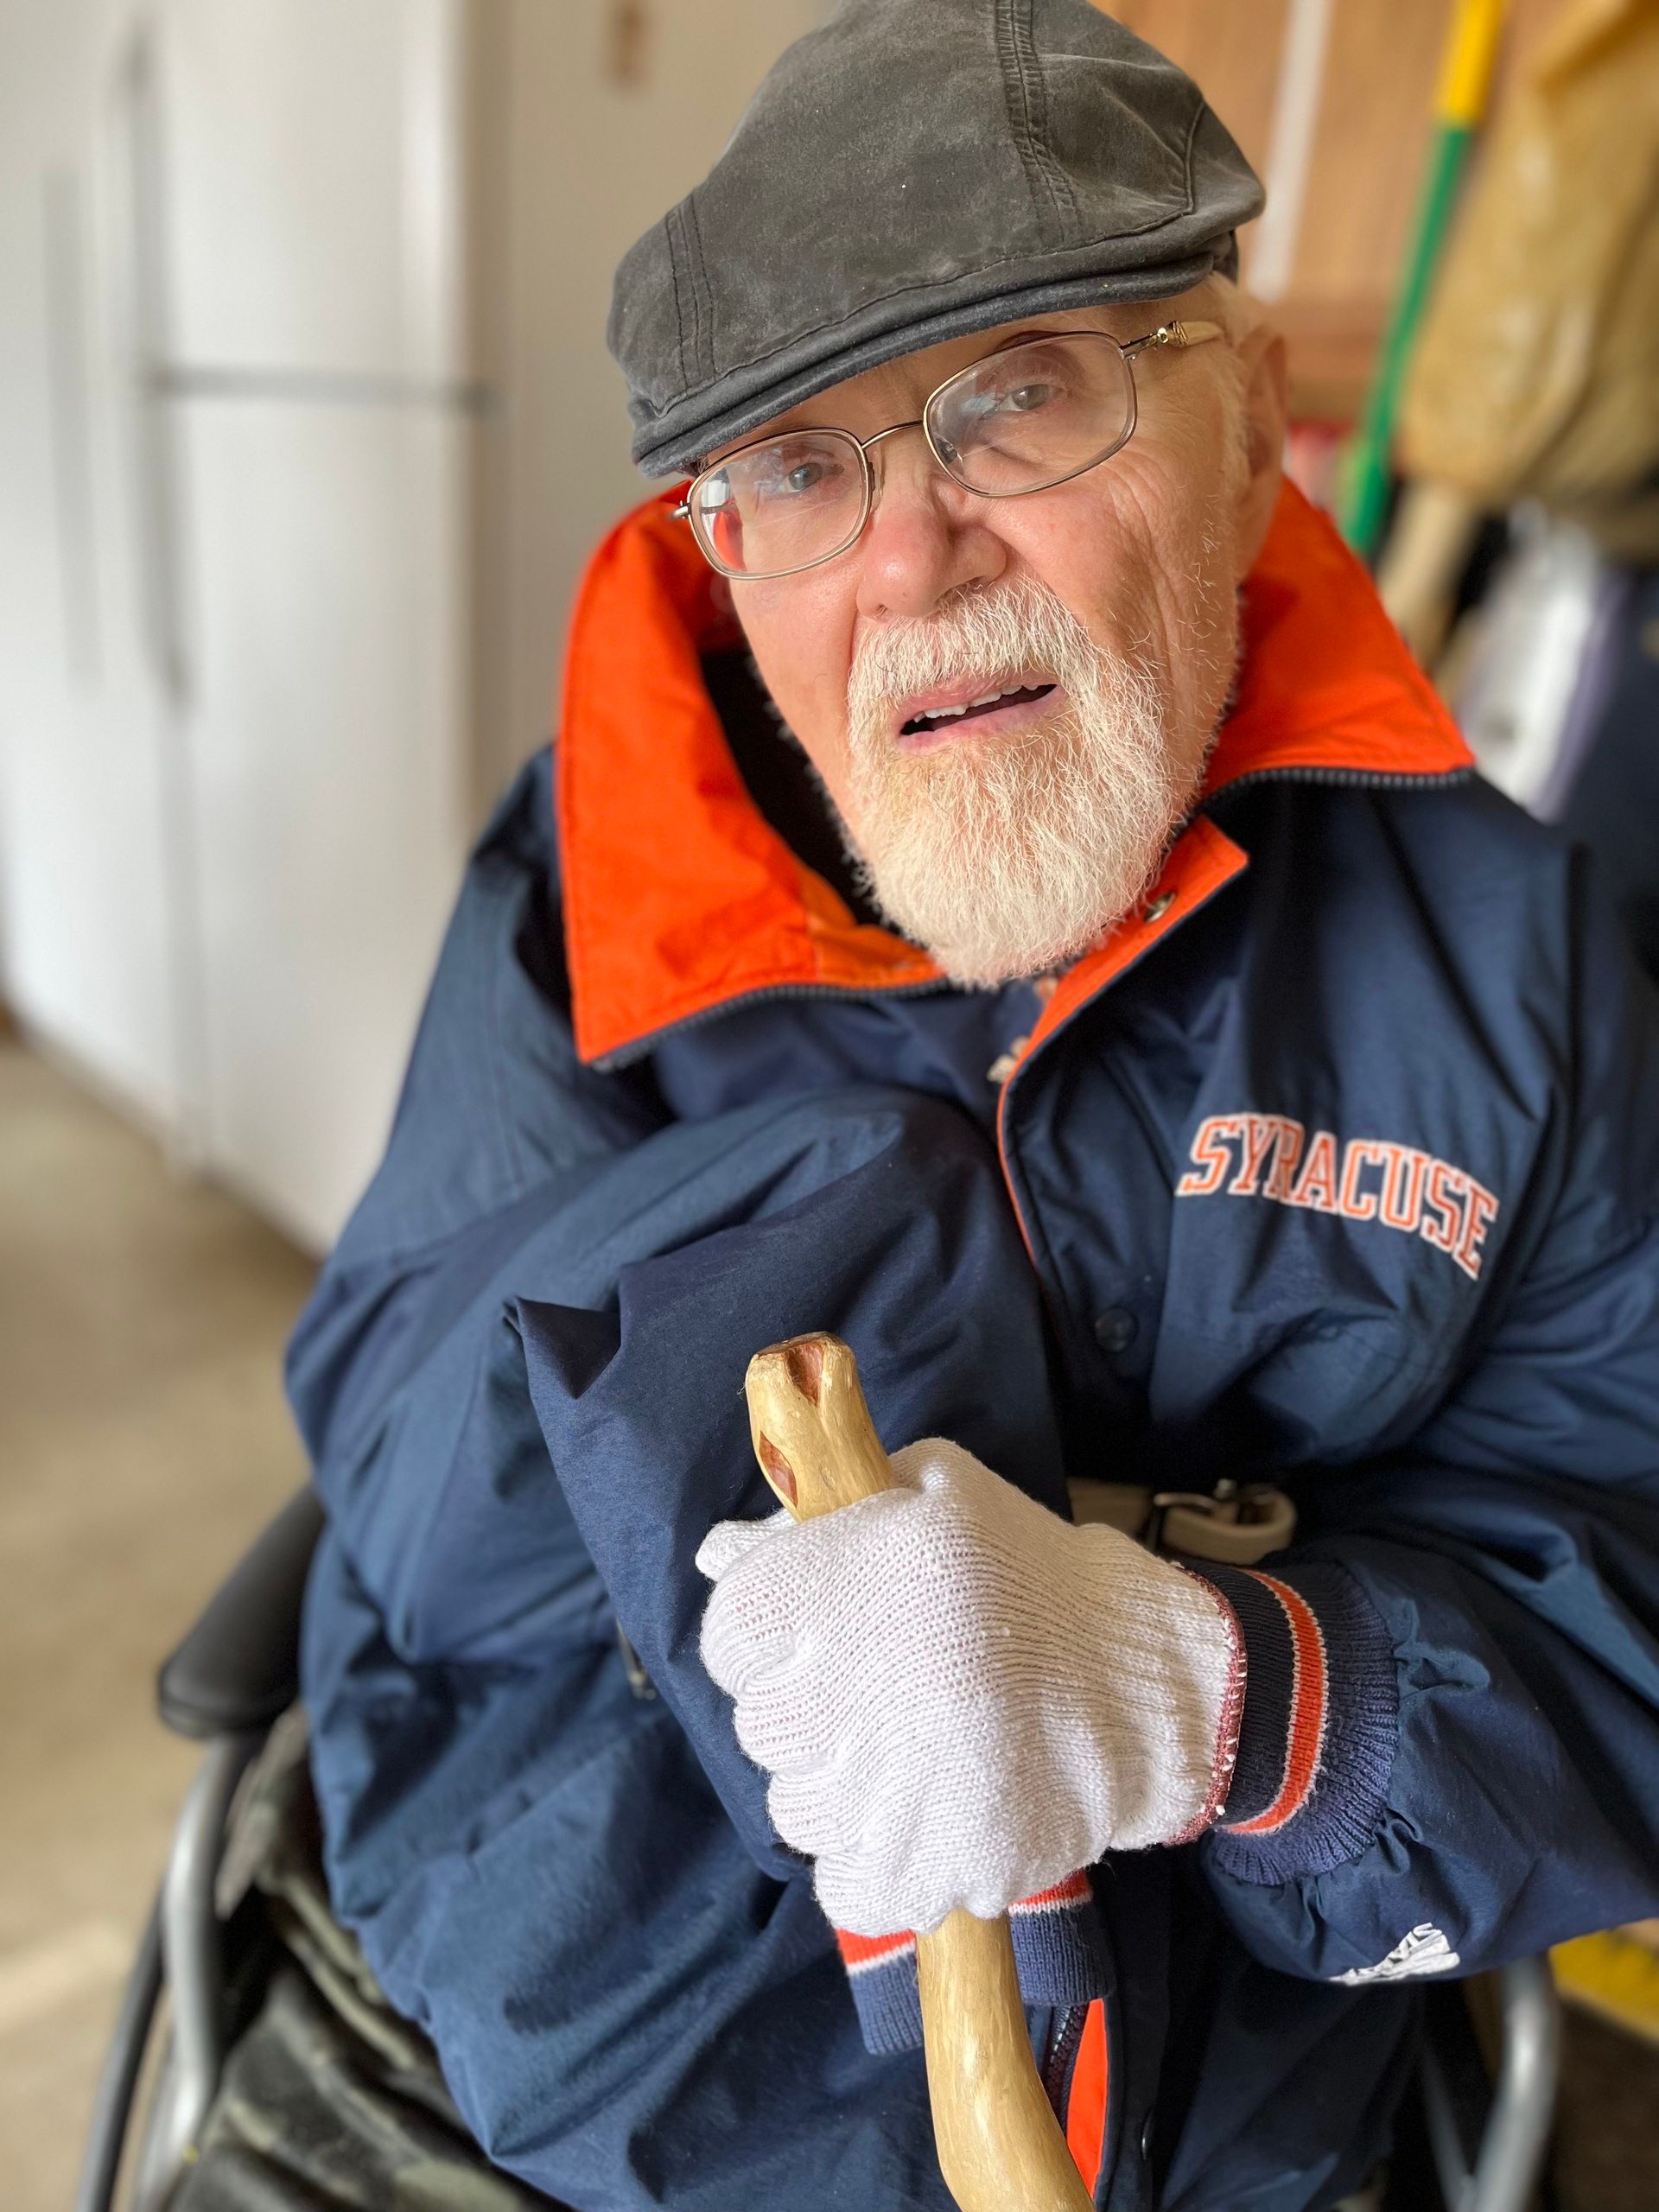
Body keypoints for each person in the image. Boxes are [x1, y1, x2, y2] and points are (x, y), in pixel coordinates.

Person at [287, 5, 1659, 2209]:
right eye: (798, 466)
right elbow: (422, 1510)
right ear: (720, 551)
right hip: (619, 2099)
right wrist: (768, 1366)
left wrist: (1227, 1693)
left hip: (1230, 2116)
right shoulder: (589, 891)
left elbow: (1630, 1597)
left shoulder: (1509, 959)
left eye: (1019, 395)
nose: (914, 559)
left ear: (1247, 429)